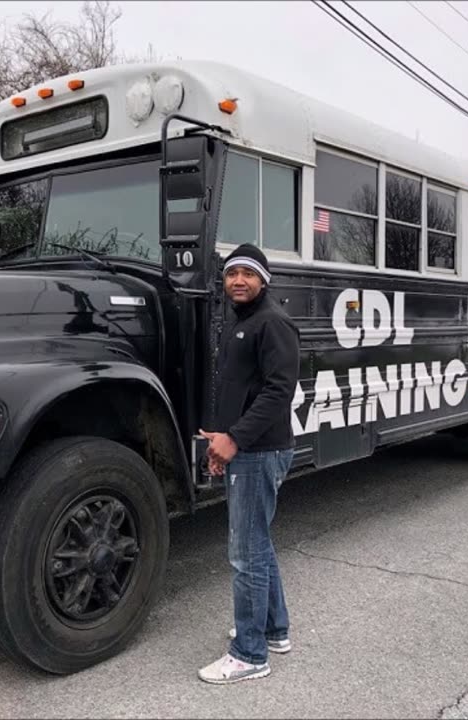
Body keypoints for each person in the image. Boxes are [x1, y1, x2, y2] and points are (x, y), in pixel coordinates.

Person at [197, 243, 301, 685]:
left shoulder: (272, 323)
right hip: (246, 449)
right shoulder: (242, 322)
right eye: (231, 273)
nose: (238, 280)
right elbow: (238, 386)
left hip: (260, 450)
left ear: (264, 280)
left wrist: (235, 440)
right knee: (258, 543)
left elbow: (279, 393)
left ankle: (249, 654)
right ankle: (273, 631)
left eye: (248, 274)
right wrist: (220, 436)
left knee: (247, 553)